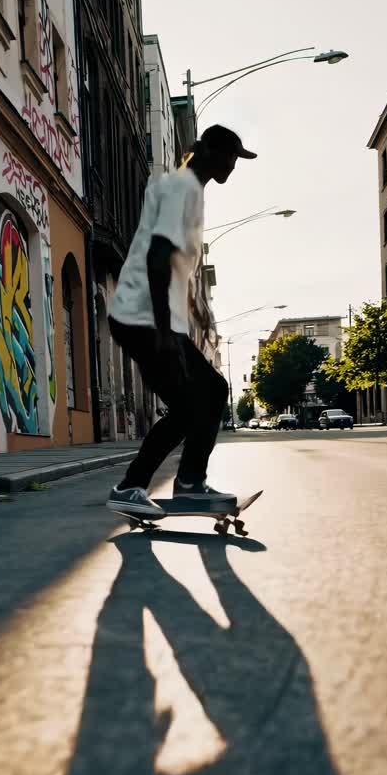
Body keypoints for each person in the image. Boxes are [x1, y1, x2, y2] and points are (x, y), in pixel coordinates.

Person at [106, 124, 257, 519]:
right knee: (192, 404)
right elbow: (158, 255)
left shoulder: (189, 189)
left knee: (210, 391)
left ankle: (186, 481)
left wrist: (188, 315)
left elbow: (170, 263)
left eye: (236, 159)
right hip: (142, 318)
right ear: (206, 151)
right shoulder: (182, 189)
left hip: (150, 317)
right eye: (228, 156)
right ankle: (134, 486)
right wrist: (162, 328)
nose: (232, 165)